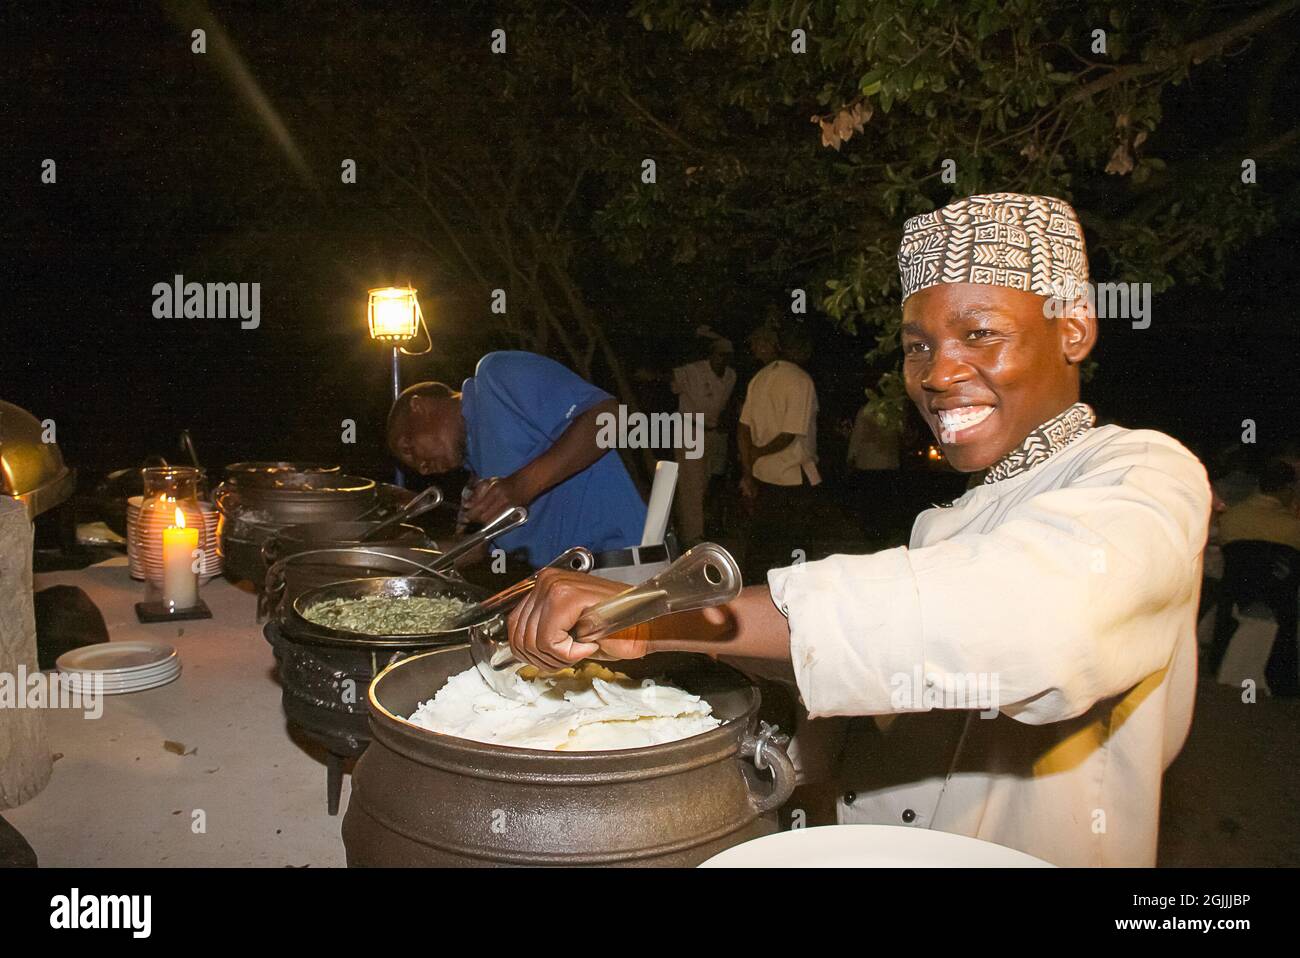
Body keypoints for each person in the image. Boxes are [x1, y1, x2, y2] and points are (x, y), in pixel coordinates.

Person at [504, 193, 1212, 867]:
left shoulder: (1144, 476)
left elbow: (1032, 623)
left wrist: (676, 609)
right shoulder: (956, 519)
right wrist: (656, 633)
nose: (937, 374)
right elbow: (881, 664)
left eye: (980, 333)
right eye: (917, 345)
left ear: (1074, 329)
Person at [386, 351, 646, 567]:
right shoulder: (479, 475)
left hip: (622, 567)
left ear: (419, 407)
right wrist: (397, 558)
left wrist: (521, 486)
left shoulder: (496, 377)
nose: (422, 468)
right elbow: (477, 551)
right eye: (415, 467)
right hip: (568, 588)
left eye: (408, 447)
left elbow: (609, 419)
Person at [1207, 459, 1300, 695]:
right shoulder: (1292, 526)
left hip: (1237, 595)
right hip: (1279, 602)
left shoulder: (1232, 516)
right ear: (1288, 489)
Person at [737, 323, 820, 579]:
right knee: (795, 551)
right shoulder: (800, 380)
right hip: (792, 475)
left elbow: (743, 428)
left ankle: (752, 597)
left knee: (762, 547)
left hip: (765, 475)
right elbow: (789, 434)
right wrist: (759, 453)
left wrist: (749, 467)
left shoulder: (758, 379)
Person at [671, 329, 736, 545]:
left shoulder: (730, 376)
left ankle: (692, 528)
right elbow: (671, 381)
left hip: (713, 433)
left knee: (706, 482)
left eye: (727, 355)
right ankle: (693, 536)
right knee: (692, 484)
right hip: (690, 430)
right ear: (710, 354)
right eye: (720, 354)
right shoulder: (692, 371)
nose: (723, 359)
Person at [846, 400, 903, 539]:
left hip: (869, 464)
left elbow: (857, 436)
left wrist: (851, 456)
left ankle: (873, 531)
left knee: (870, 501)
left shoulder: (867, 410)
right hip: (885, 464)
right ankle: (879, 532)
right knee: (881, 501)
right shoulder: (892, 410)